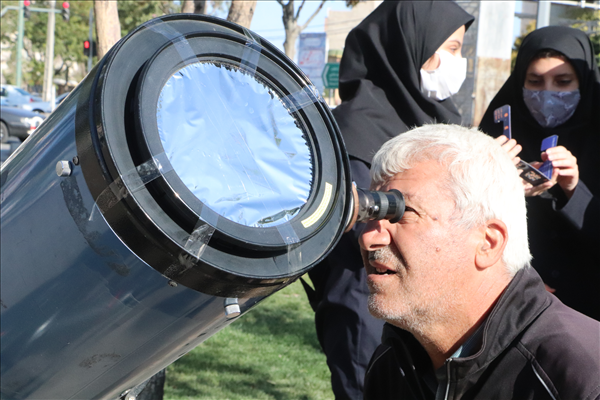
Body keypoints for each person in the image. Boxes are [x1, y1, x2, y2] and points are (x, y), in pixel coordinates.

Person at [305, 1, 474, 398]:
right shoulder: (356, 129)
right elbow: (365, 233)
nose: (457, 62)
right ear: (408, 48)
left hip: (422, 313)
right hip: (368, 314)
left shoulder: (429, 118)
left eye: (460, 49)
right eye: (450, 49)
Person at [360, 123, 600, 399]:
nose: (369, 238)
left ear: (488, 242)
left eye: (402, 213)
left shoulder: (581, 380)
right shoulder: (393, 364)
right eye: (372, 214)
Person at [479, 26, 600, 320]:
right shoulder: (496, 135)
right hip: (513, 305)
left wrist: (574, 190)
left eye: (563, 82)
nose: (548, 94)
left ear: (583, 82)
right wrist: (497, 181)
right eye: (534, 82)